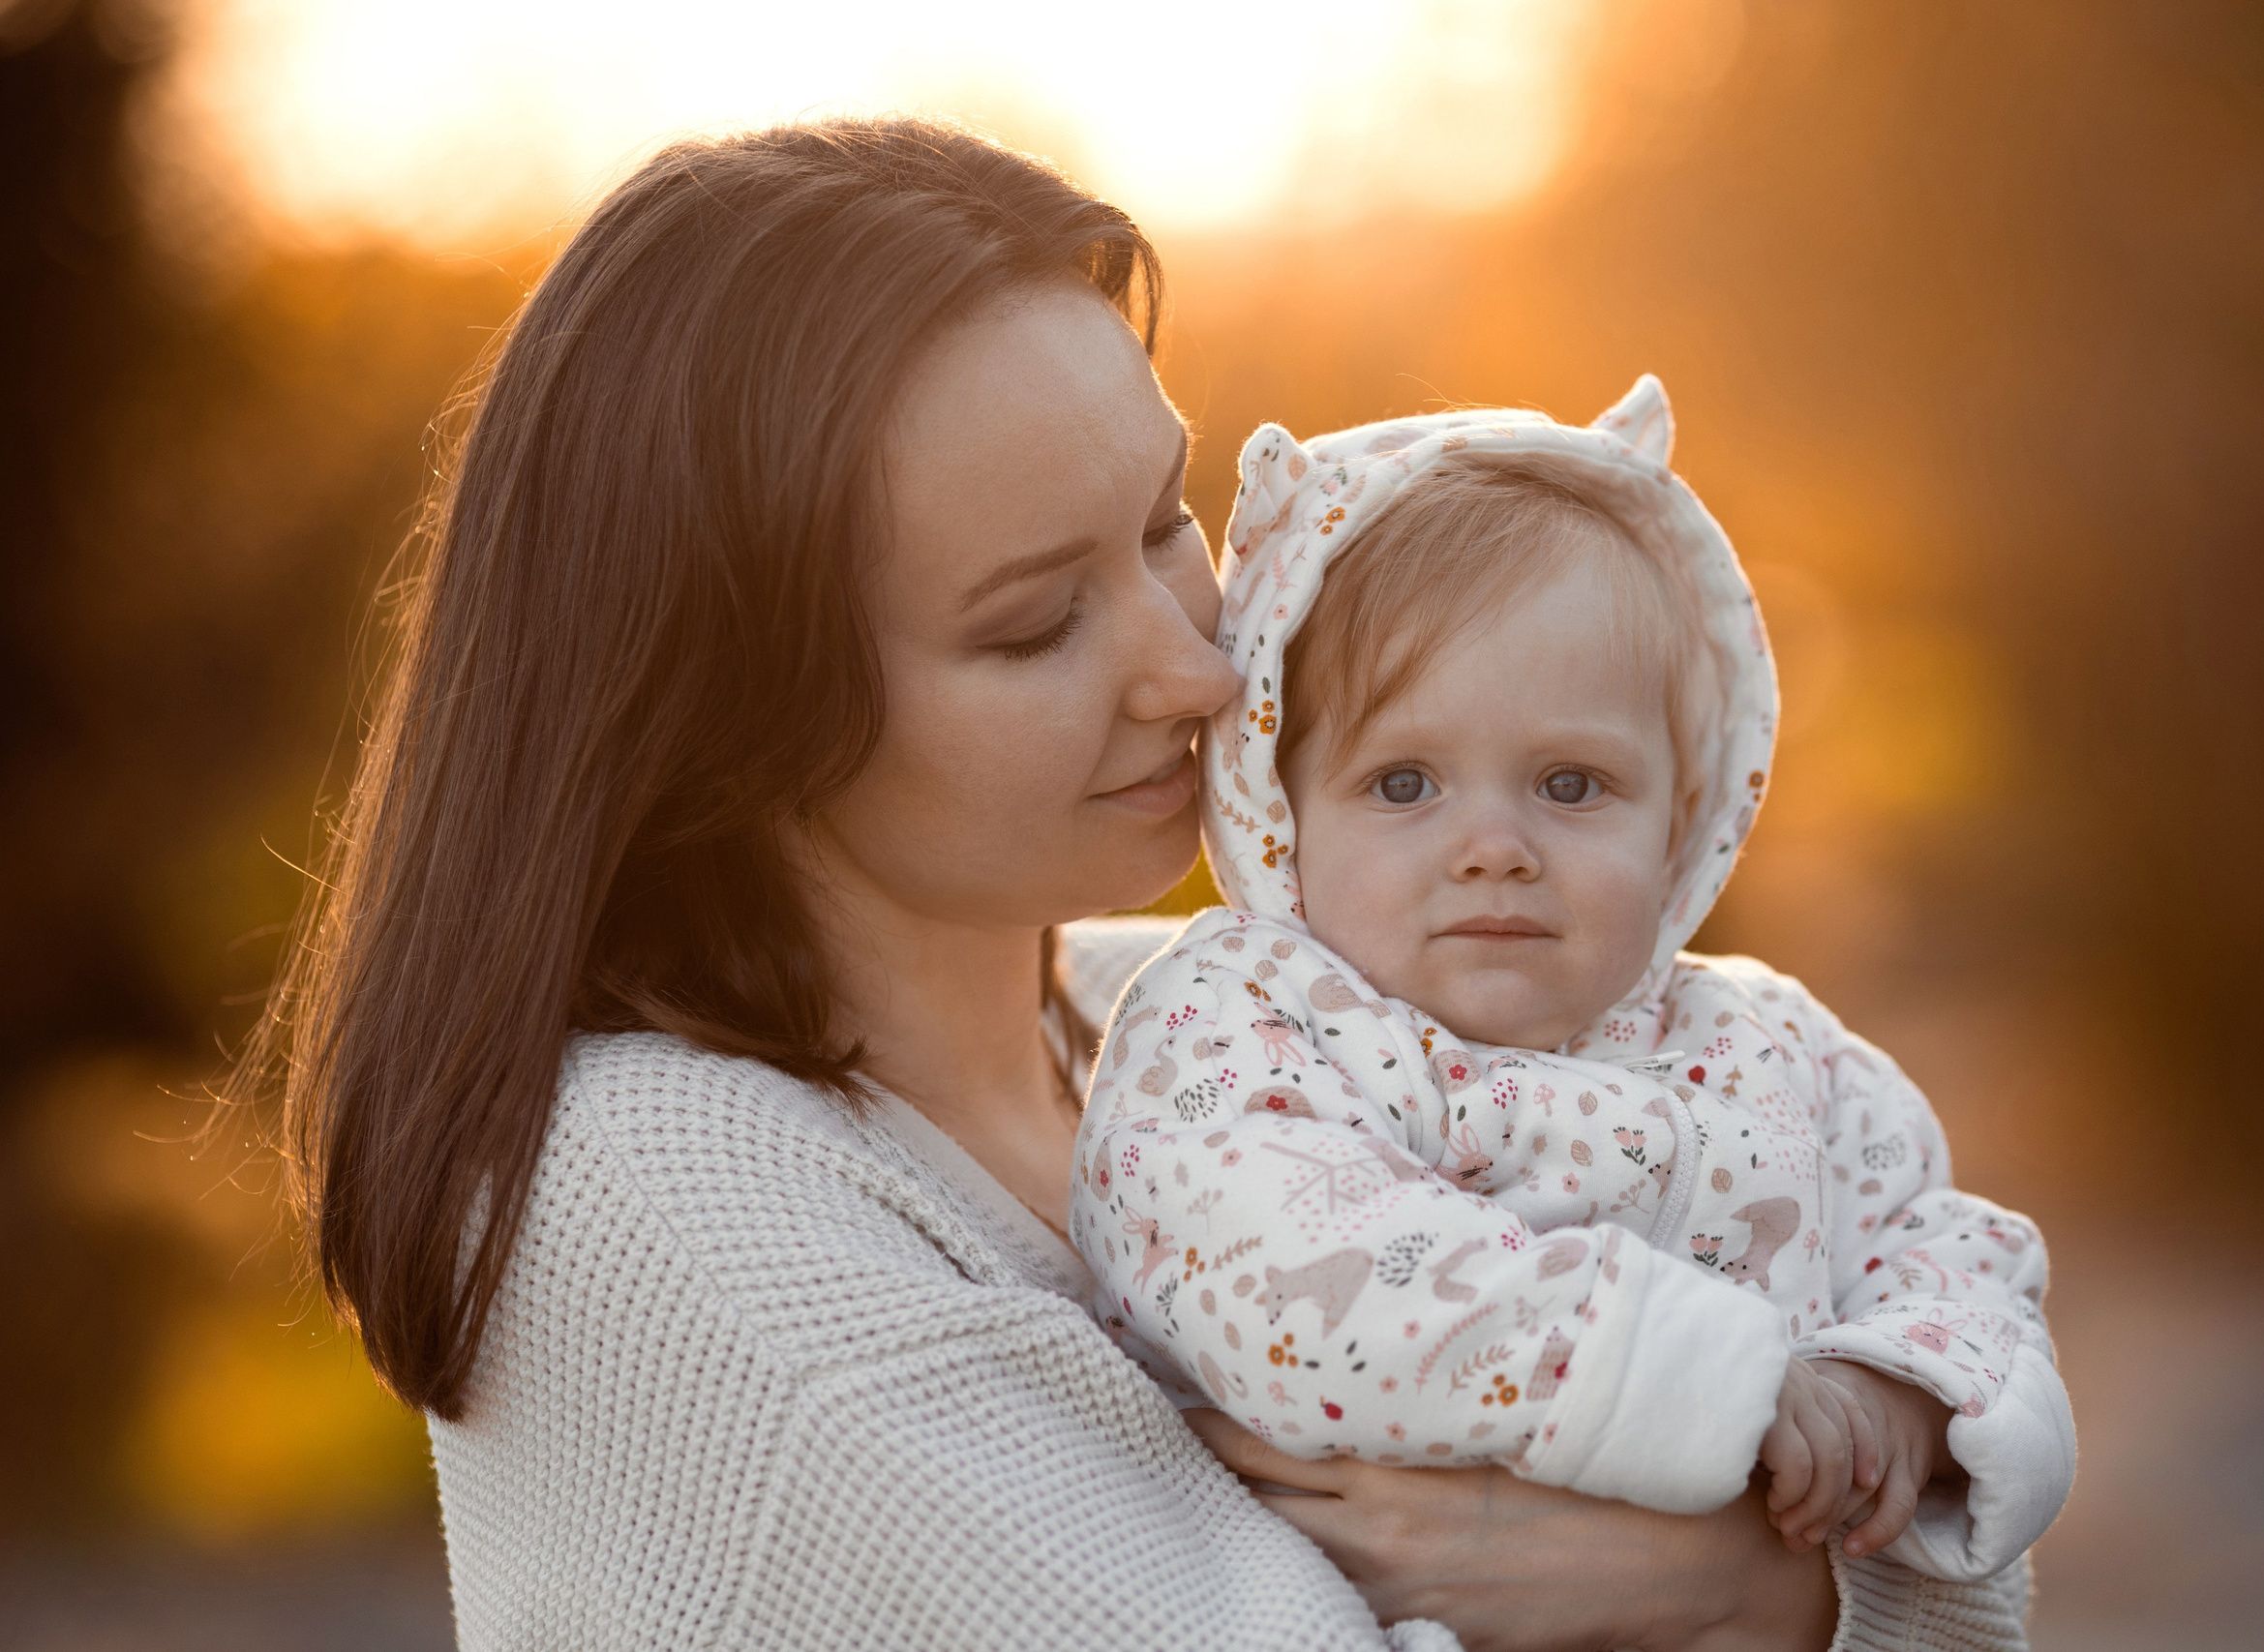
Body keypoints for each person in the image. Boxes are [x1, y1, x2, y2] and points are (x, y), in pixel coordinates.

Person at [239, 117, 2034, 1648]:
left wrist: (1761, 1589)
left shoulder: (1170, 1025)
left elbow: (1976, 1560)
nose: (1198, 663)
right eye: (1034, 624)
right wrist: (1757, 1578)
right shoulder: (660, 1197)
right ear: (732, 722)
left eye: (1170, 523)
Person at [1073, 386, 2073, 1582]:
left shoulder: (1771, 1044)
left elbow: (1947, 1243)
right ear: (1276, 814)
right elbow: (1286, 1270)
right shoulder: (1241, 1026)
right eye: (1404, 784)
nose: (1494, 845)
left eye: (1569, 785)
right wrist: (1709, 1383)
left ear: (1681, 820)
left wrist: (1899, 1387)